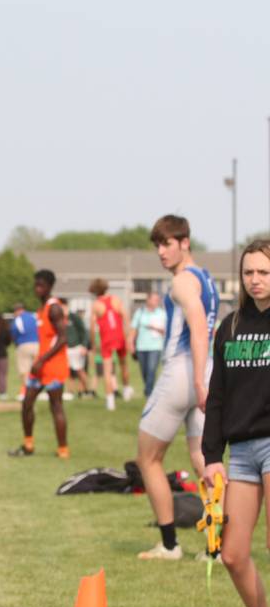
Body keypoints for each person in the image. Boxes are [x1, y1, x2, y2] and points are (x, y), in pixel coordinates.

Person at [136, 215, 219, 560]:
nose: (160, 251)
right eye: (157, 244)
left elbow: (199, 327)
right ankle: (215, 546)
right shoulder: (208, 279)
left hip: (184, 374)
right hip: (206, 371)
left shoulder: (183, 281)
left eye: (167, 243)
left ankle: (170, 543)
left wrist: (198, 380)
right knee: (205, 460)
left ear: (185, 242)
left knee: (148, 458)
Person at [202, 240, 270, 607]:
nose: (256, 279)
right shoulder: (230, 327)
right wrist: (212, 456)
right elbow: (217, 395)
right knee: (232, 554)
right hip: (241, 452)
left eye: (263, 272)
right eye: (249, 273)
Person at [9, 270, 70, 459]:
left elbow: (63, 338)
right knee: (27, 403)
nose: (38, 289)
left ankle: (63, 450)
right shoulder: (41, 309)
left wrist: (42, 360)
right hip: (40, 365)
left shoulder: (54, 308)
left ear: (50, 286)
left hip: (52, 366)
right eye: (36, 285)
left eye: (41, 285)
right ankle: (28, 445)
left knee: (56, 406)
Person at [89, 278, 134, 411]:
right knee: (123, 364)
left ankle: (110, 401)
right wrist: (128, 335)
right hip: (119, 336)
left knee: (107, 370)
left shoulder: (96, 305)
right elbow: (125, 317)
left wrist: (93, 343)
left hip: (106, 339)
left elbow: (92, 327)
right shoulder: (116, 300)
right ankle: (126, 389)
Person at [129, 291, 166, 397]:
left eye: (157, 300)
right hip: (141, 347)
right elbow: (133, 329)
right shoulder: (139, 313)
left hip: (156, 346)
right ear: (148, 300)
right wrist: (131, 343)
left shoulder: (162, 314)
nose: (156, 302)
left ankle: (148, 393)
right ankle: (148, 388)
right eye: (154, 300)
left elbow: (167, 331)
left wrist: (156, 328)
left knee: (151, 369)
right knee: (144, 371)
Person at [59, 297, 91, 398]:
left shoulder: (74, 317)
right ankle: (70, 391)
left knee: (79, 370)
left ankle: (86, 390)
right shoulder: (59, 319)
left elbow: (84, 332)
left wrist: (84, 346)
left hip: (76, 347)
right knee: (67, 372)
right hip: (65, 348)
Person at [9, 302, 39, 401]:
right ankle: (38, 390)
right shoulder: (34, 317)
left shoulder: (18, 319)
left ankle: (27, 392)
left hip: (24, 345)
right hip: (38, 344)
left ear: (18, 310)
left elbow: (14, 333)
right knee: (36, 369)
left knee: (24, 370)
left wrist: (16, 342)